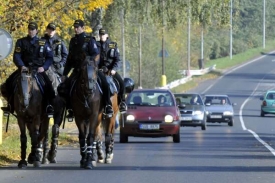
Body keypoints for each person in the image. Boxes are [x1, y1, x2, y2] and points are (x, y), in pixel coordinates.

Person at [61, 20, 113, 118]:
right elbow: (69, 59)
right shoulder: (73, 41)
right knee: (64, 87)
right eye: (75, 27)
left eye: (78, 27)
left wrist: (88, 62)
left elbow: (95, 54)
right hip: (77, 70)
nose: (76, 29)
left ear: (83, 28)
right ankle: (70, 108)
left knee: (105, 83)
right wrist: (65, 74)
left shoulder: (89, 39)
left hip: (90, 69)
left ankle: (107, 105)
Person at [0, 22, 55, 115]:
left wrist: (44, 67)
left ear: (36, 31)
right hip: (24, 70)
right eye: (29, 29)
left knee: (49, 86)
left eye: (33, 29)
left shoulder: (43, 43)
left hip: (38, 70)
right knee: (8, 83)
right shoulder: (21, 41)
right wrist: (21, 66)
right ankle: (10, 105)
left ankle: (48, 106)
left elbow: (50, 57)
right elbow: (16, 56)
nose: (30, 31)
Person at [96, 28, 127, 114]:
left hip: (110, 71)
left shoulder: (113, 45)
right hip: (99, 71)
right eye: (100, 34)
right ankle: (106, 105)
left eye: (103, 34)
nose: (102, 36)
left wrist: (114, 69)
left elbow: (117, 59)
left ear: (107, 35)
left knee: (121, 83)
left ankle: (122, 103)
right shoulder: (96, 45)